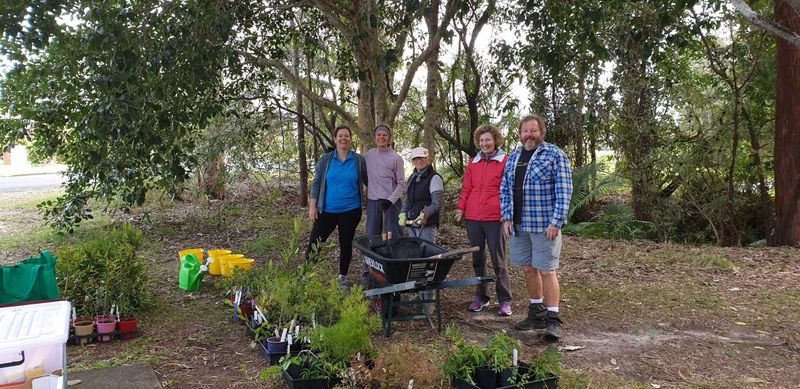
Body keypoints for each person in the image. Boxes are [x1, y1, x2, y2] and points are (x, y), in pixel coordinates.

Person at [499, 115, 572, 342]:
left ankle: (553, 319)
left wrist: (556, 221)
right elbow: (505, 189)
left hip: (544, 225)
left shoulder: (555, 155)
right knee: (528, 269)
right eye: (525, 131)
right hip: (519, 225)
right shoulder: (513, 158)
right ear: (519, 134)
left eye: (533, 130)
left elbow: (564, 190)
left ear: (541, 132)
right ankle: (536, 312)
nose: (529, 135)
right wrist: (506, 218)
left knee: (547, 270)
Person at [455, 124, 513, 316]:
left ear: (495, 140)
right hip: (473, 218)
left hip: (495, 217)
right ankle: (481, 297)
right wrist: (461, 209)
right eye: (481, 140)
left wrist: (508, 216)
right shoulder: (473, 162)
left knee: (498, 260)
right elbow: (466, 188)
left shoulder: (505, 161)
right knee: (477, 259)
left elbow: (509, 190)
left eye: (488, 139)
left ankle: (505, 300)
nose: (484, 143)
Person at [307, 125, 368, 285]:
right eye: (340, 136)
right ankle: (306, 274)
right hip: (326, 210)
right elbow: (316, 183)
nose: (343, 139)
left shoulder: (359, 160)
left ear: (351, 139)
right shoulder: (326, 159)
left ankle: (342, 277)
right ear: (335, 139)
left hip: (351, 211)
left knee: (345, 243)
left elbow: (369, 182)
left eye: (346, 136)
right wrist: (313, 207)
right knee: (315, 242)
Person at [399, 146, 443, 314]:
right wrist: (403, 213)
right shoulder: (412, 178)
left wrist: (424, 215)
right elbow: (407, 200)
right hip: (412, 226)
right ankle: (419, 295)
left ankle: (429, 300)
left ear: (428, 159)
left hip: (427, 225)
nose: (419, 161)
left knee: (429, 261)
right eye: (415, 159)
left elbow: (436, 203)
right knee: (416, 261)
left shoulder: (434, 178)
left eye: (422, 158)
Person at [363, 125, 405, 285]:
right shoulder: (368, 156)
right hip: (374, 202)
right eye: (379, 135)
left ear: (389, 138)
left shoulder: (396, 158)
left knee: (393, 237)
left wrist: (390, 200)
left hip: (391, 203)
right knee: (372, 236)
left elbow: (401, 184)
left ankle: (395, 273)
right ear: (375, 137)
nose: (381, 137)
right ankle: (368, 274)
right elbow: (362, 174)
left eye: (385, 135)